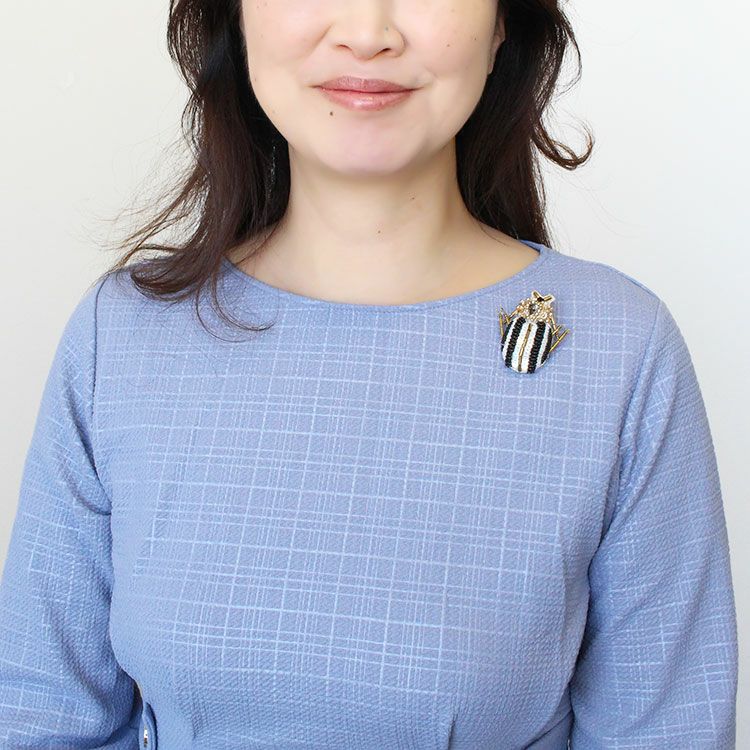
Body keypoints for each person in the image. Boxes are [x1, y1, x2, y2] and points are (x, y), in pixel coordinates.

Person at [0, 1, 738, 748]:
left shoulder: (622, 353)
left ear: (502, 23)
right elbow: (39, 718)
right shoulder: (121, 338)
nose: (366, 32)